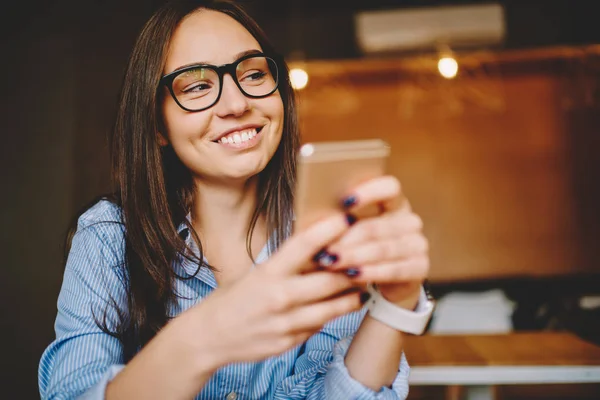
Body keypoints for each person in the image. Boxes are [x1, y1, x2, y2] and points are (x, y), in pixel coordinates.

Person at [38, 0, 430, 398]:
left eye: (254, 74)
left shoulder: (328, 232)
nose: (238, 104)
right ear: (158, 125)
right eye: (197, 86)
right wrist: (206, 335)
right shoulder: (108, 237)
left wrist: (396, 304)